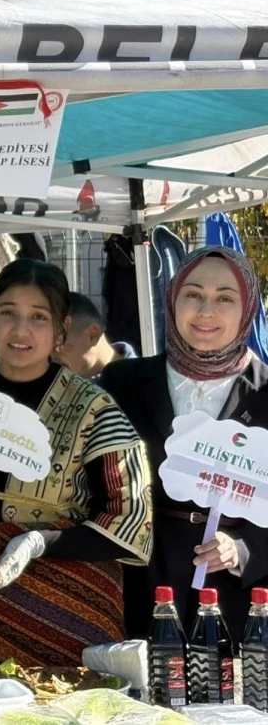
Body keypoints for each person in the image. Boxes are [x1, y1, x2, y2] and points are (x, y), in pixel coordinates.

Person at [0, 259, 153, 683]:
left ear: (61, 328)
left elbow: (131, 521)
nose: (21, 331)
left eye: (39, 317)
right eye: (8, 313)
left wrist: (41, 541)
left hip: (70, 618)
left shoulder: (96, 412)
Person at [100, 246, 268, 641]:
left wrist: (243, 549)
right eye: (193, 294)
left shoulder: (266, 394)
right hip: (138, 583)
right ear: (173, 299)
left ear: (248, 308)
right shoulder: (122, 383)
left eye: (225, 298)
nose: (206, 311)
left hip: (236, 600)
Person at [54, 292, 138, 380]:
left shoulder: (145, 383)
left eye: (58, 347)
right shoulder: (61, 388)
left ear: (92, 335)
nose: (54, 358)